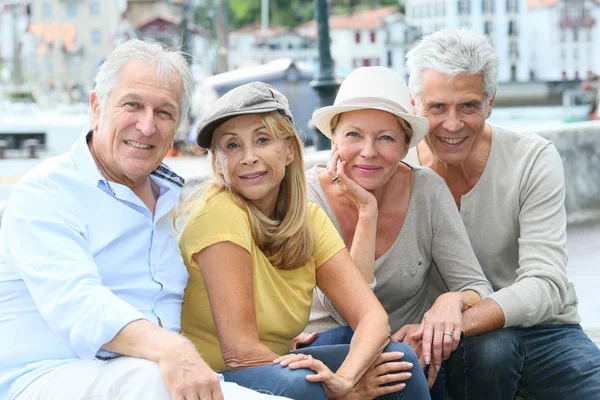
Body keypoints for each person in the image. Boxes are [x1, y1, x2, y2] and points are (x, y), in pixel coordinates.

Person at [0, 39, 285, 400]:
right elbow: (78, 304)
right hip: (47, 377)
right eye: (132, 105)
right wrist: (173, 349)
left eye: (164, 112)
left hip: (155, 375)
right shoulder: (47, 192)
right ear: (96, 108)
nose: (147, 126)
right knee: (148, 380)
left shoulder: (173, 202)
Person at [177, 81, 430, 399]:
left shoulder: (307, 219)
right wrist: (341, 392)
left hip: (274, 369)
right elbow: (240, 353)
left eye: (262, 139)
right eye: (231, 146)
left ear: (290, 150)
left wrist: (346, 379)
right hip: (211, 381)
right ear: (216, 162)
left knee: (397, 363)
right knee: (303, 382)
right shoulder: (219, 215)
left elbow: (372, 317)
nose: (249, 157)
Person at [404, 28, 600, 399]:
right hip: (442, 342)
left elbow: (545, 282)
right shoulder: (394, 169)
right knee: (493, 351)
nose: (452, 123)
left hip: (542, 330)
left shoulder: (532, 158)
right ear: (414, 105)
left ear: (490, 102)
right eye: (437, 107)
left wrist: (459, 318)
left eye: (468, 106)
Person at [301, 66, 493, 397]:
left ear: (406, 146)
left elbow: (477, 288)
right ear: (333, 139)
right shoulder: (305, 196)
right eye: (353, 135)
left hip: (411, 355)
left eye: (386, 138)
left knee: (450, 354)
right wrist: (366, 212)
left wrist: (449, 301)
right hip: (330, 348)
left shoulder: (426, 190)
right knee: (392, 358)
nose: (369, 151)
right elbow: (350, 310)